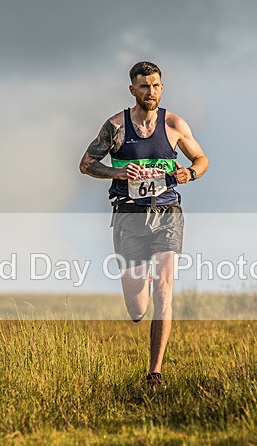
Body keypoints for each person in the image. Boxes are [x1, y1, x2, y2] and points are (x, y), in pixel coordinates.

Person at [79, 61, 209, 386]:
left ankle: (155, 373)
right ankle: (143, 282)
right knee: (138, 309)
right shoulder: (116, 127)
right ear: (132, 90)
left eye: (155, 86)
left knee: (165, 292)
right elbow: (86, 163)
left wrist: (189, 173)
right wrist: (117, 172)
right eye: (143, 86)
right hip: (129, 215)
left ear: (161, 88)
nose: (150, 92)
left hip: (167, 213)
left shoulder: (175, 124)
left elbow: (202, 159)